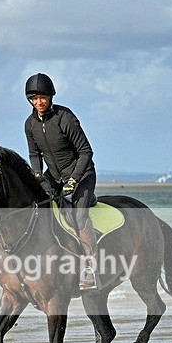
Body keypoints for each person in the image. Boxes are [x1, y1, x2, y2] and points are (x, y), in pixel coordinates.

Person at [24, 72, 99, 290]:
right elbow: (34, 155)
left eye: (43, 98)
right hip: (54, 176)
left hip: (82, 174)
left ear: (51, 97)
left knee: (78, 214)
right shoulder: (30, 124)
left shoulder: (65, 118)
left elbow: (86, 152)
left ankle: (91, 270)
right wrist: (37, 175)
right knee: (37, 206)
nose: (39, 102)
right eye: (34, 98)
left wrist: (75, 179)